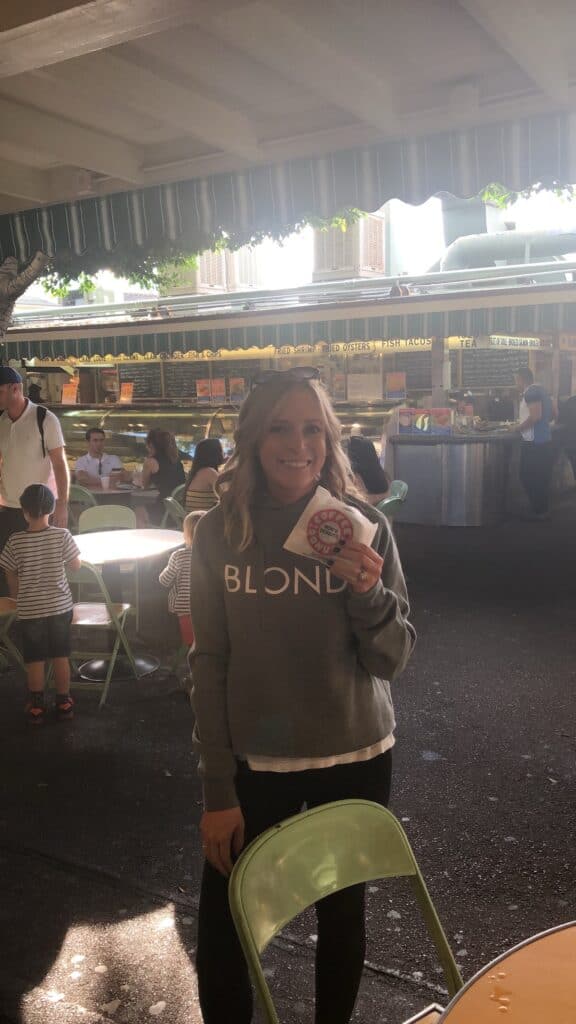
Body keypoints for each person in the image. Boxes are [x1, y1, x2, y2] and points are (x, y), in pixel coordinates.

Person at [190, 368, 416, 1024]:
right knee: (229, 920)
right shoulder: (218, 534)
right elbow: (208, 665)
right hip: (254, 766)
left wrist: (366, 593)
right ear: (254, 438)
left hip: (357, 754)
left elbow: (392, 657)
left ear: (330, 437)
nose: (298, 444)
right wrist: (215, 792)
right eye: (280, 428)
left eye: (312, 428)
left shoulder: (362, 526)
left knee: (343, 915)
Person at [0, 484, 81, 725]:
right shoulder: (62, 536)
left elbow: (9, 571)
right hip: (59, 606)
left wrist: (16, 595)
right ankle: (63, 701)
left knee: (34, 658)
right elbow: (75, 565)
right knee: (60, 655)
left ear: (24, 511)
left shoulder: (15, 541)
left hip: (30, 608)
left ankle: (36, 705)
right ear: (52, 509)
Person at [0, 366, 69, 594]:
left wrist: (62, 505)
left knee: (39, 570)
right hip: (8, 508)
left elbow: (60, 464)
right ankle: (14, 620)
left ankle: (40, 615)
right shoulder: (1, 422)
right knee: (9, 569)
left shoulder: (44, 419)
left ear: (15, 389)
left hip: (39, 510)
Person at [513, 367, 556, 520]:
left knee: (527, 475)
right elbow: (553, 413)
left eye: (516, 380)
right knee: (541, 476)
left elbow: (535, 416)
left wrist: (518, 428)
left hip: (534, 442)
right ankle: (541, 510)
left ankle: (539, 511)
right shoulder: (542, 390)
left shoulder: (531, 393)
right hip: (545, 440)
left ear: (521, 379)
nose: (516, 383)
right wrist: (544, 424)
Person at [159, 511, 204, 646]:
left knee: (191, 643)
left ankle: (183, 649)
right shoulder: (214, 556)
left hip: (184, 607)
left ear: (186, 534)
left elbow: (164, 581)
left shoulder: (178, 556)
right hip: (209, 607)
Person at [138, 429, 185, 525]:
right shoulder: (176, 460)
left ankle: (144, 537)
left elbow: (144, 485)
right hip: (179, 510)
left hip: (164, 509)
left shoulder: (151, 461)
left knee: (138, 509)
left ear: (150, 444)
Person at [346, 435, 390, 505]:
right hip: (381, 511)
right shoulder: (383, 473)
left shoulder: (356, 477)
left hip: (366, 512)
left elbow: (360, 502)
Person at [185, 438, 224, 512]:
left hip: (193, 517)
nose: (223, 453)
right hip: (202, 519)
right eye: (221, 450)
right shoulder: (210, 472)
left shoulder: (198, 471)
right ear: (215, 453)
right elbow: (226, 495)